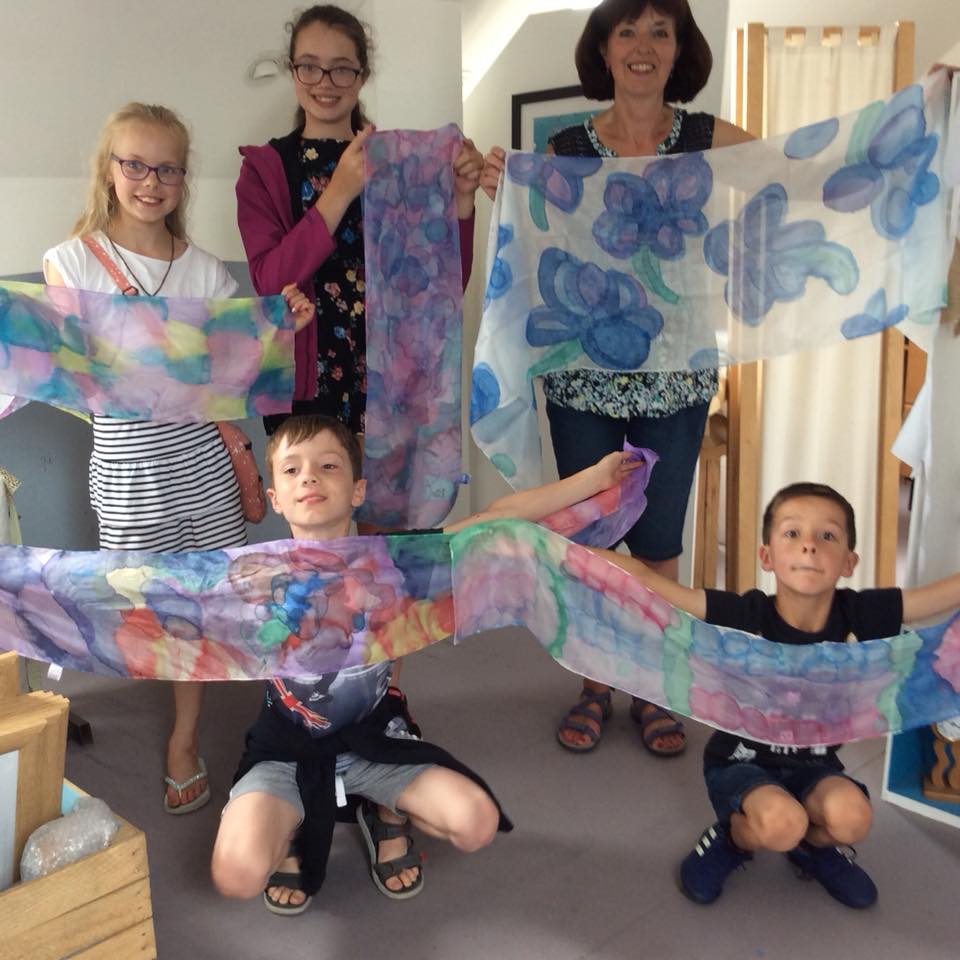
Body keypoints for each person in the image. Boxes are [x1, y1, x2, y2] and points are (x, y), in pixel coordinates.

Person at [211, 414, 641, 914]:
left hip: (374, 737)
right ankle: (294, 818)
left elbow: (499, 518)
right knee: (236, 874)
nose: (309, 477)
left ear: (357, 490)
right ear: (276, 498)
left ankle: (383, 805)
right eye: (292, 470)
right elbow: (147, 592)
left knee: (475, 821)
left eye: (328, 465)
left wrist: (597, 478)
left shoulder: (397, 561)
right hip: (285, 747)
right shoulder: (248, 576)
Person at [480, 0, 753, 756]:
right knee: (593, 534)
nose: (642, 45)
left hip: (677, 369)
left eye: (659, 31)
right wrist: (501, 190)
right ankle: (595, 678)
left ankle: (649, 683)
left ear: (678, 50)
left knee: (659, 540)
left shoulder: (706, 139)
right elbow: (535, 235)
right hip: (581, 369)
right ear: (602, 50)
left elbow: (797, 169)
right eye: (626, 30)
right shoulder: (565, 146)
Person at [42, 102, 313, 815]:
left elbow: (235, 370)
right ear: (110, 169)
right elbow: (79, 369)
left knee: (210, 593)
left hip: (200, 457)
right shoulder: (70, 262)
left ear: (184, 179)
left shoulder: (204, 275)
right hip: (130, 464)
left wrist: (277, 326)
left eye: (167, 168)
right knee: (148, 602)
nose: (150, 182)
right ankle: (167, 716)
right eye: (135, 164)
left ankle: (186, 737)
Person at [591, 482, 960, 908]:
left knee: (853, 817)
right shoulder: (748, 614)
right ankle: (731, 840)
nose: (809, 547)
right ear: (766, 556)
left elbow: (939, 598)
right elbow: (658, 588)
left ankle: (812, 850)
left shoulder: (860, 612)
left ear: (849, 562)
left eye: (828, 536)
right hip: (739, 762)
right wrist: (567, 555)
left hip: (815, 764)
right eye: (792, 534)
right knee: (781, 823)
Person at [235, 3, 483, 442]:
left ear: (362, 76)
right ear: (293, 73)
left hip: (390, 380)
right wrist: (339, 192)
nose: (325, 83)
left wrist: (462, 200)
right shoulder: (266, 168)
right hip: (304, 386)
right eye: (309, 67)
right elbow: (271, 283)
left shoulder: (398, 165)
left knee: (379, 512)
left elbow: (441, 289)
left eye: (342, 69)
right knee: (313, 509)